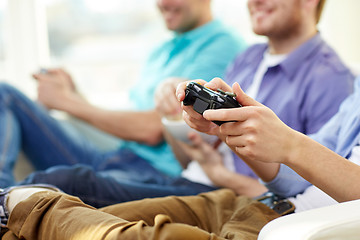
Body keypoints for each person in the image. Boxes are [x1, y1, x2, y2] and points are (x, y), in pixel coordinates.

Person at [15, 0, 354, 208]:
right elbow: (189, 153)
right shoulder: (249, 57)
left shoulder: (332, 80)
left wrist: (223, 172)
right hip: (194, 174)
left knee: (71, 181)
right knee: (68, 181)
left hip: (221, 191)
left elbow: (304, 190)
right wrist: (183, 128)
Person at [1, 75, 360, 240]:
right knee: (61, 219)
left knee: (61, 212)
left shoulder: (331, 76)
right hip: (259, 205)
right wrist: (234, 132)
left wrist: (291, 145)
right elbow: (295, 178)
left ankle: (19, 200)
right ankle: (22, 204)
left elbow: (299, 154)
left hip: (293, 229)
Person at [0, 0, 245, 193]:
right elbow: (132, 121)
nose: (163, 3)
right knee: (5, 94)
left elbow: (152, 129)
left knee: (58, 183)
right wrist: (74, 95)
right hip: (118, 156)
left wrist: (66, 102)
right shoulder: (161, 50)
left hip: (155, 173)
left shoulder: (223, 45)